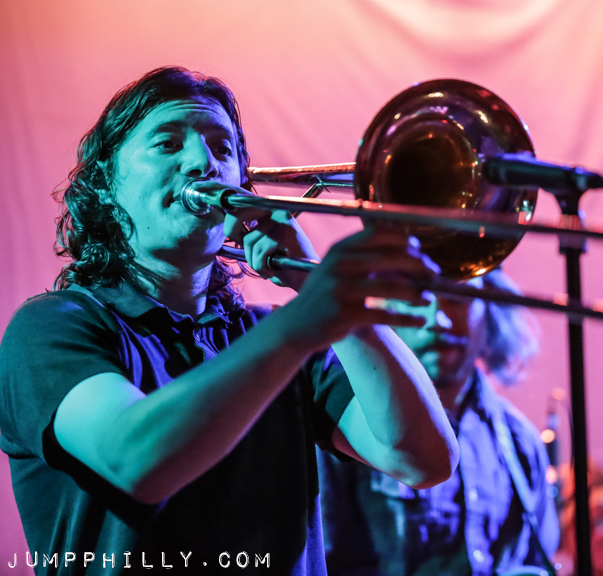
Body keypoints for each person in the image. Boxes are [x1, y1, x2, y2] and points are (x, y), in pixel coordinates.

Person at [0, 66, 458, 575]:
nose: (203, 163)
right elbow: (134, 462)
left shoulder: (276, 336)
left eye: (222, 149)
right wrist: (306, 319)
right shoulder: (52, 327)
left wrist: (332, 299)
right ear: (106, 184)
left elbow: (423, 460)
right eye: (168, 144)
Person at [318, 269, 560, 576]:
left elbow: (536, 560)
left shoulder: (520, 440)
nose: (438, 319)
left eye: (457, 297)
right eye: (417, 296)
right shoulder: (348, 423)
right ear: (385, 308)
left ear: (489, 307)